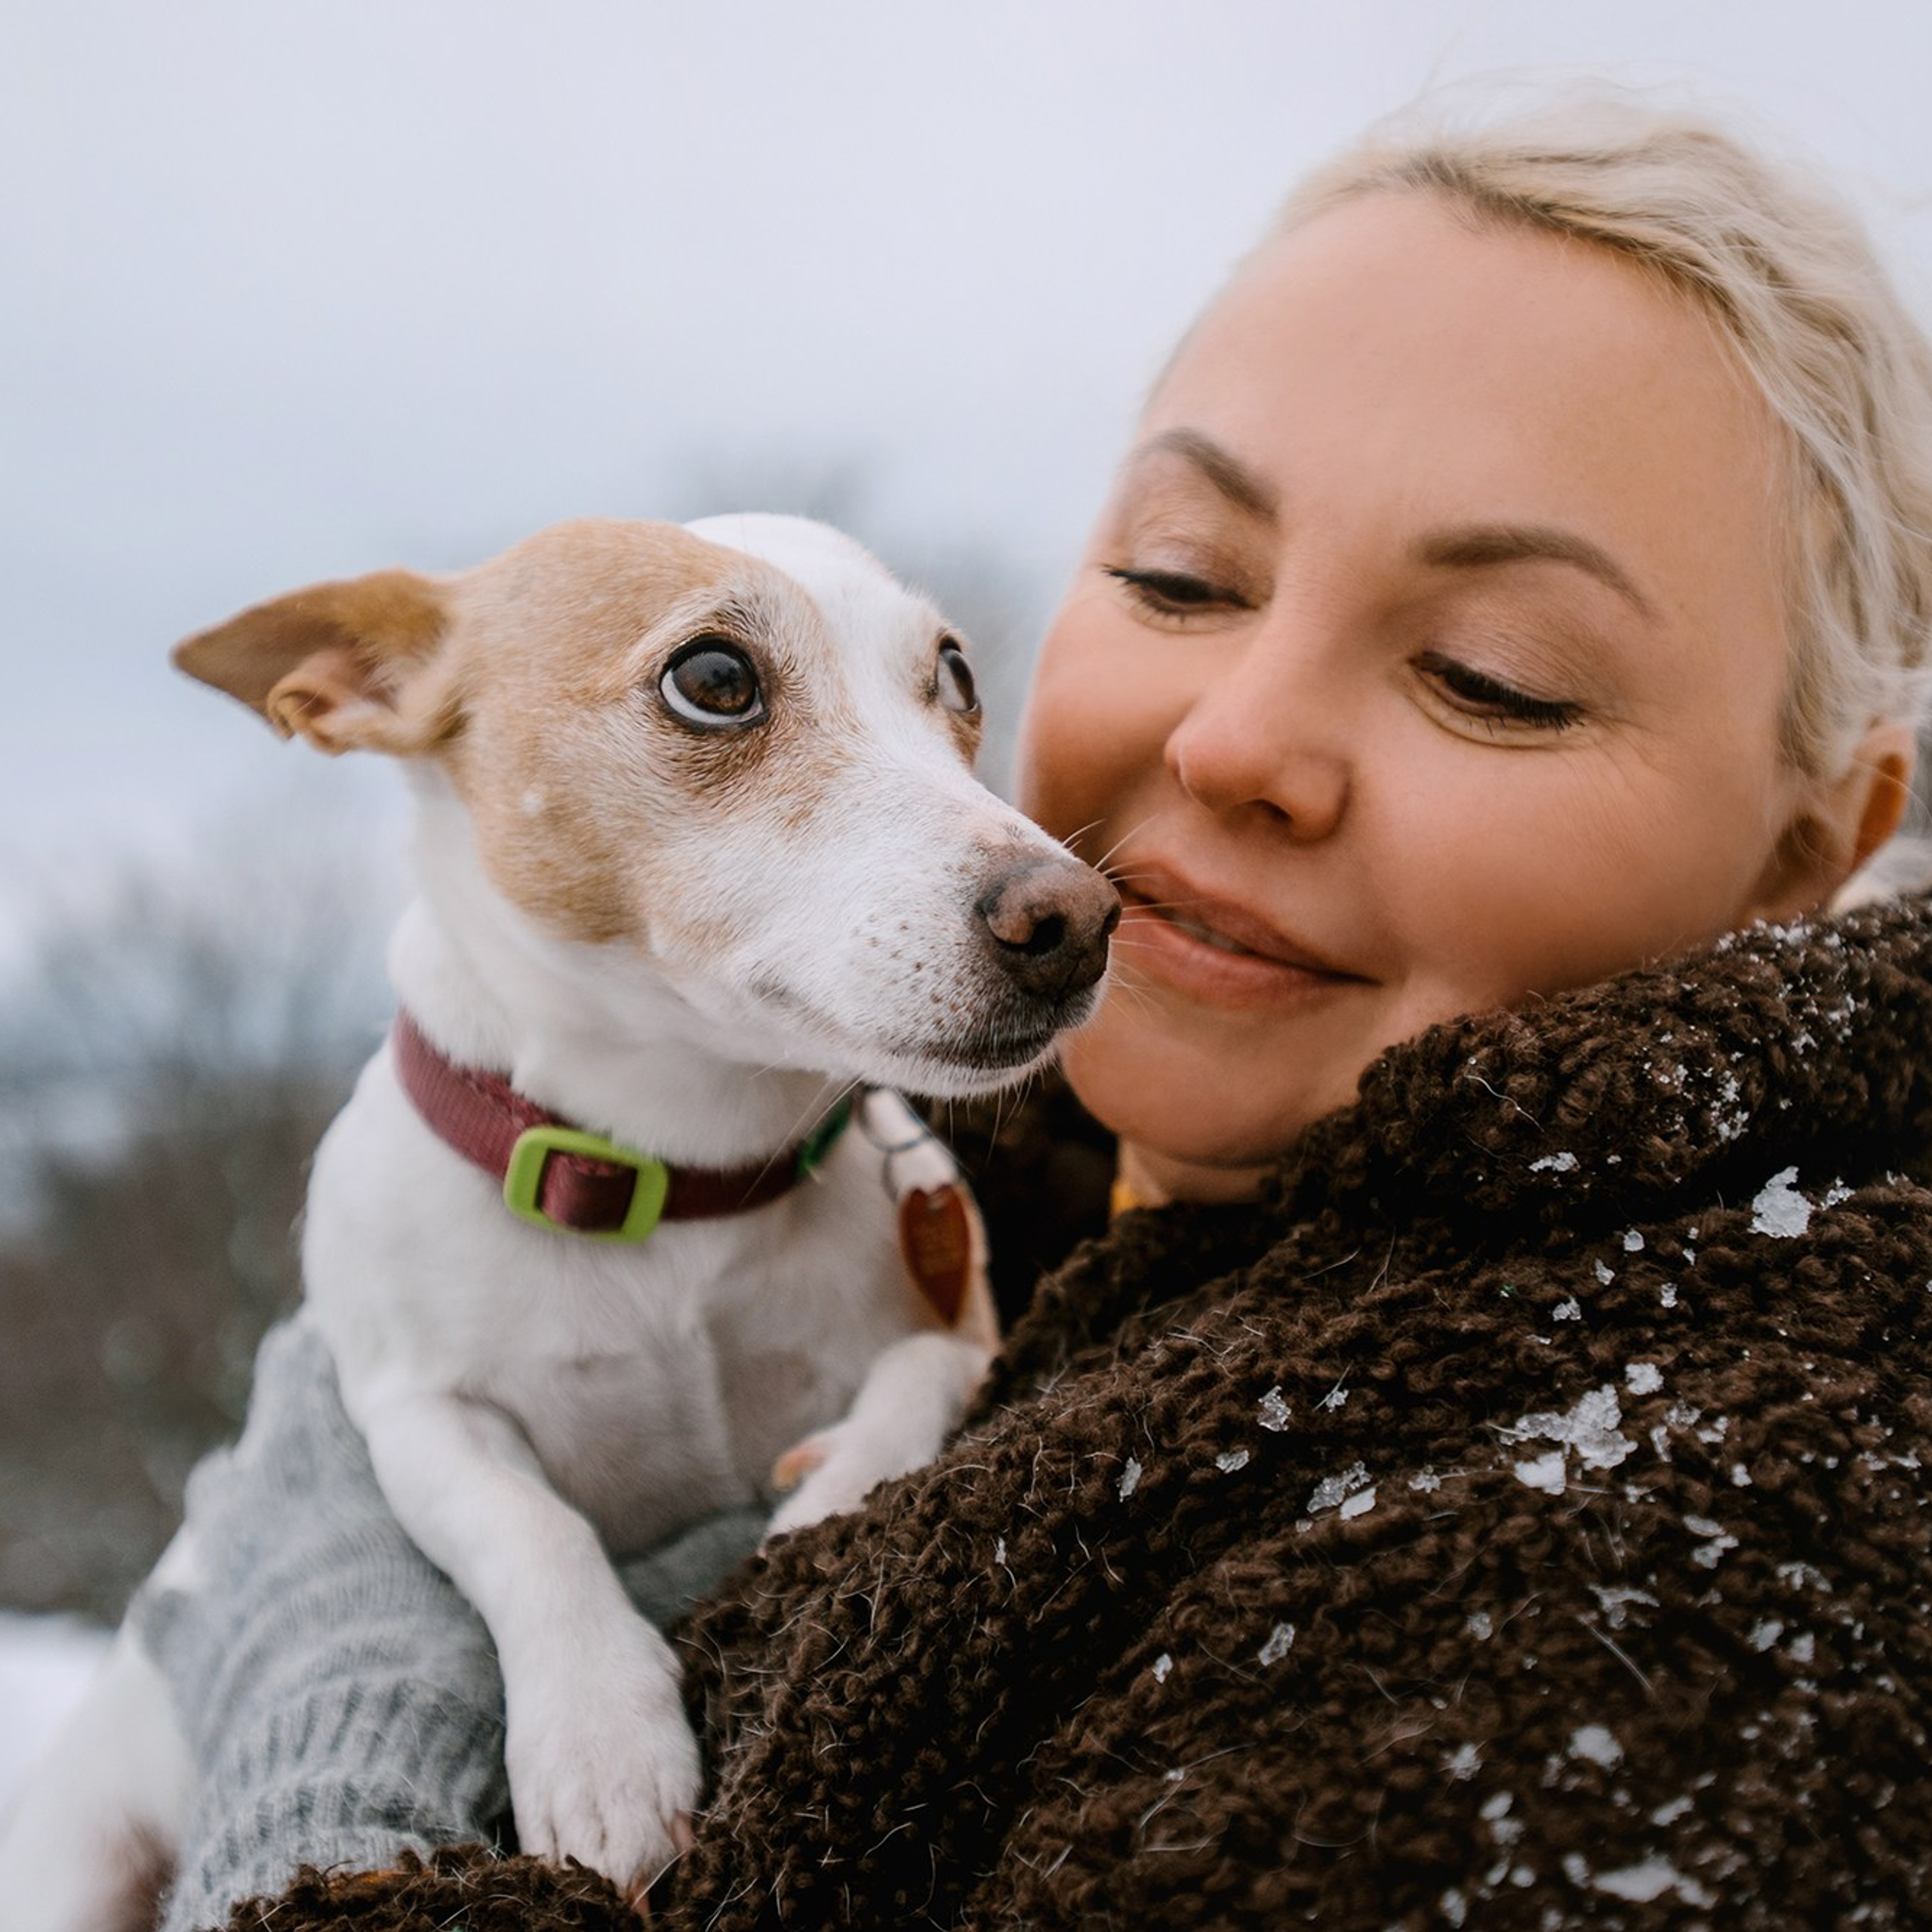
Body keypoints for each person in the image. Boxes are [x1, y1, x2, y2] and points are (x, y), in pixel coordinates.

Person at [140, 88, 1932, 1929]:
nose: (1227, 740)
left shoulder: (1682, 1571)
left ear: (1810, 848)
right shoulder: (940, 1155)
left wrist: (320, 1743)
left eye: (1493, 675)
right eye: (1177, 573)